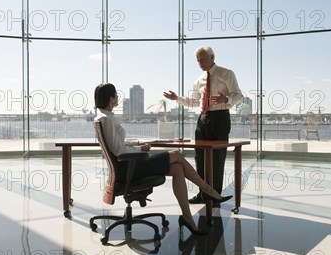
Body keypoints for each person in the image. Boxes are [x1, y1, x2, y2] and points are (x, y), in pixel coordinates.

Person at [94, 83, 232, 236]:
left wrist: (138, 143)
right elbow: (119, 150)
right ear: (111, 98)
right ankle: (209, 191)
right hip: (126, 170)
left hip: (127, 167)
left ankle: (187, 218)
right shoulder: (106, 119)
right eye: (116, 95)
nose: (118, 97)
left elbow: (118, 144)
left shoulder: (104, 117)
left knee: (177, 168)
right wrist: (140, 149)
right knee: (176, 155)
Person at [163, 46, 243, 205]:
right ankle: (203, 193)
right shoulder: (199, 80)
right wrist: (177, 98)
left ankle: (215, 196)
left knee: (217, 158)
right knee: (200, 157)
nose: (200, 63)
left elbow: (238, 96)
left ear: (212, 57)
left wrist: (226, 100)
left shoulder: (226, 73)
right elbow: (194, 102)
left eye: (202, 59)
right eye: (198, 60)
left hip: (220, 118)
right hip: (203, 118)